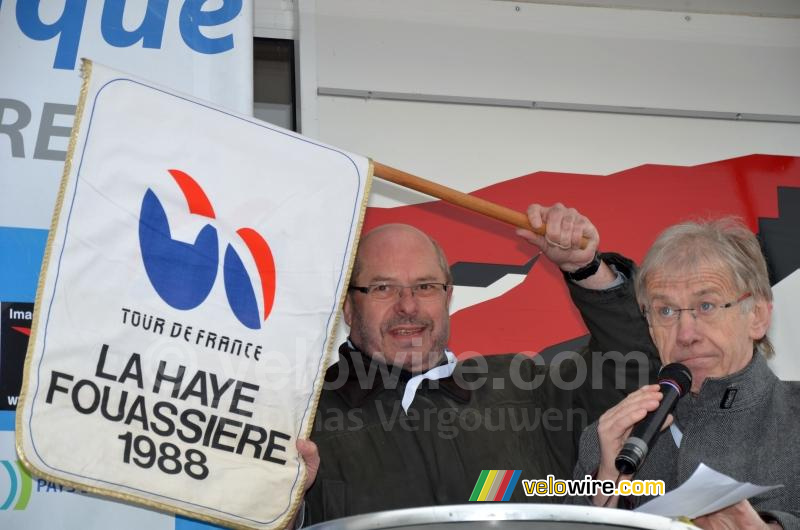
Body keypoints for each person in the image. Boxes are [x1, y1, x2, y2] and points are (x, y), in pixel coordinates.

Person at [297, 203, 659, 524]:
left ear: (448, 296)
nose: (407, 306)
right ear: (348, 305)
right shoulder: (300, 423)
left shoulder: (525, 388)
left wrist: (586, 270)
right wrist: (287, 510)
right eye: (383, 288)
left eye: (425, 287)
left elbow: (634, 367)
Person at [570, 218, 799, 528]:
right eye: (665, 311)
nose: (686, 334)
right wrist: (605, 485)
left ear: (757, 315)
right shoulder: (611, 436)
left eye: (706, 306)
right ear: (650, 327)